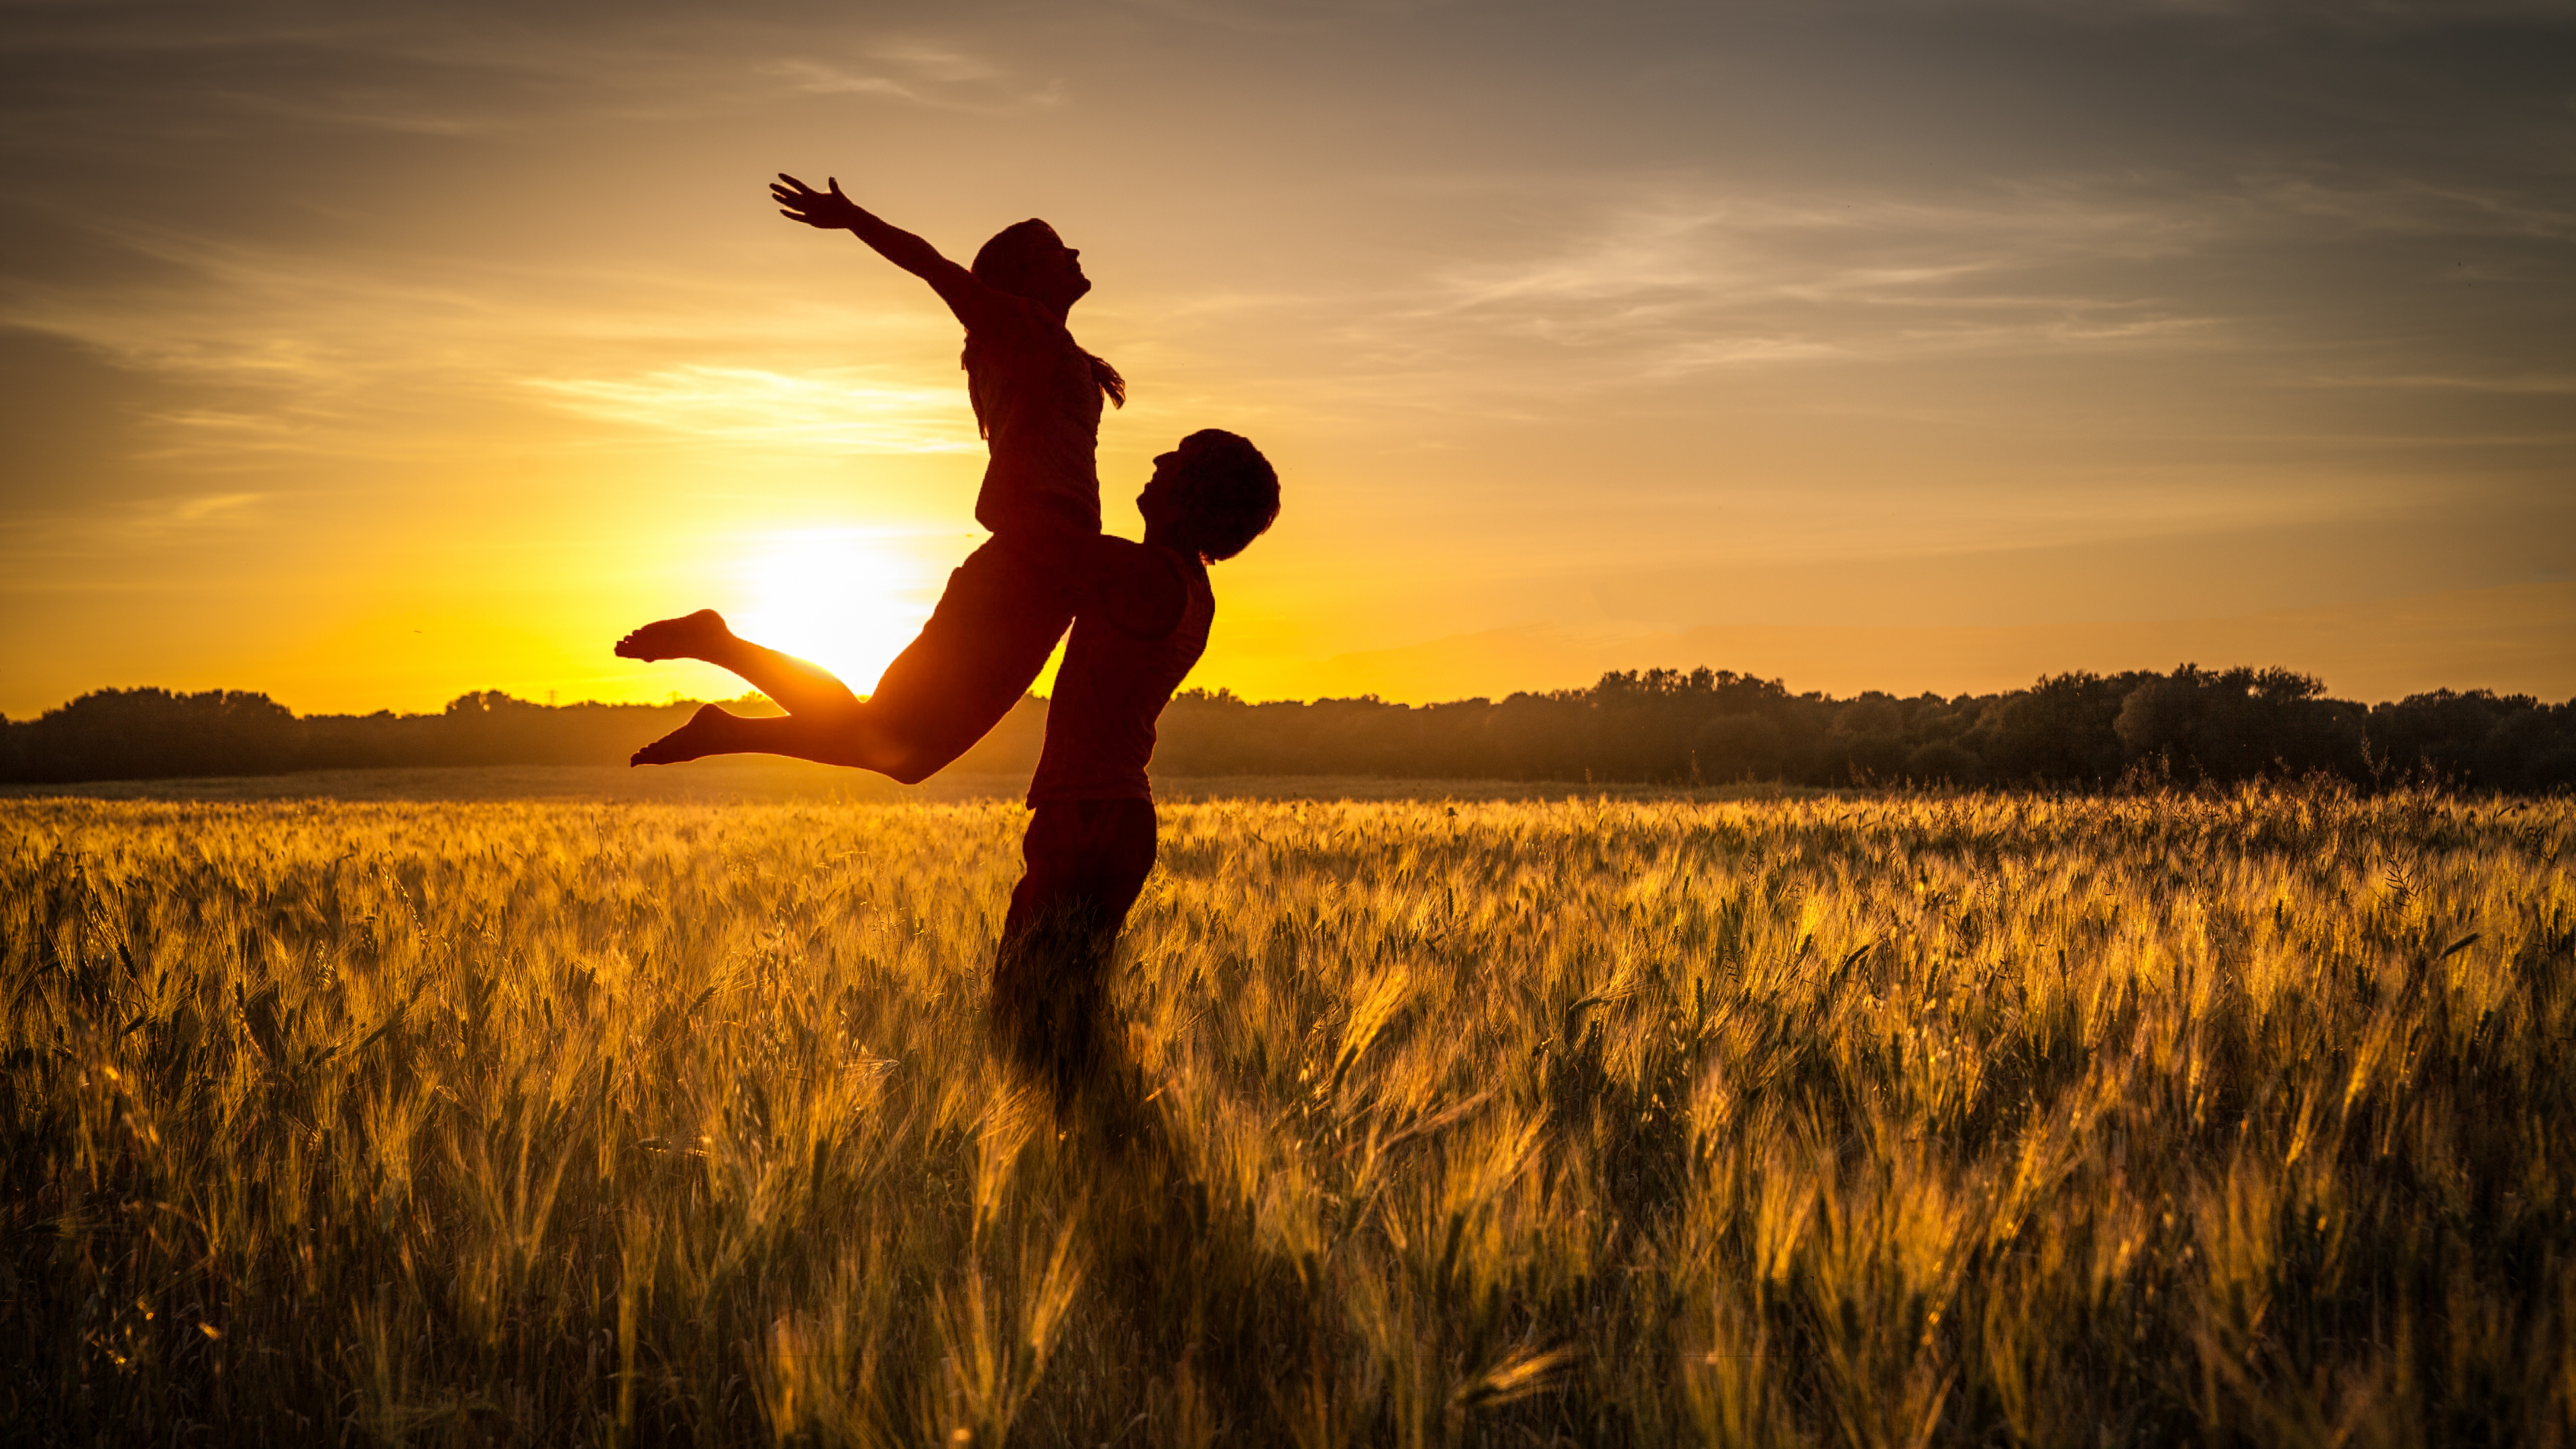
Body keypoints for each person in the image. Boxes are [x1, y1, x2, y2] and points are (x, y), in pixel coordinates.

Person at [618, 174, 1123, 782]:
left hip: (1051, 567)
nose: (1072, 254)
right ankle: (718, 651)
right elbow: (933, 266)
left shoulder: (1045, 345)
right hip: (1028, 563)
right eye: (1054, 249)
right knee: (891, 739)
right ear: (1023, 275)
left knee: (906, 754)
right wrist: (854, 218)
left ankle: (722, 714)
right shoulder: (1016, 329)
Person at [986, 429, 1279, 1108]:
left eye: (1176, 459)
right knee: (1057, 1015)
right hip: (1104, 816)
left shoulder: (1146, 577)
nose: (1156, 461)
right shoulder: (1179, 583)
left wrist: (1039, 415)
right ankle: (1103, 1151)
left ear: (1192, 495)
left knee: (1032, 1017)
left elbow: (1021, 528)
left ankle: (1096, 1153)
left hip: (1090, 818)